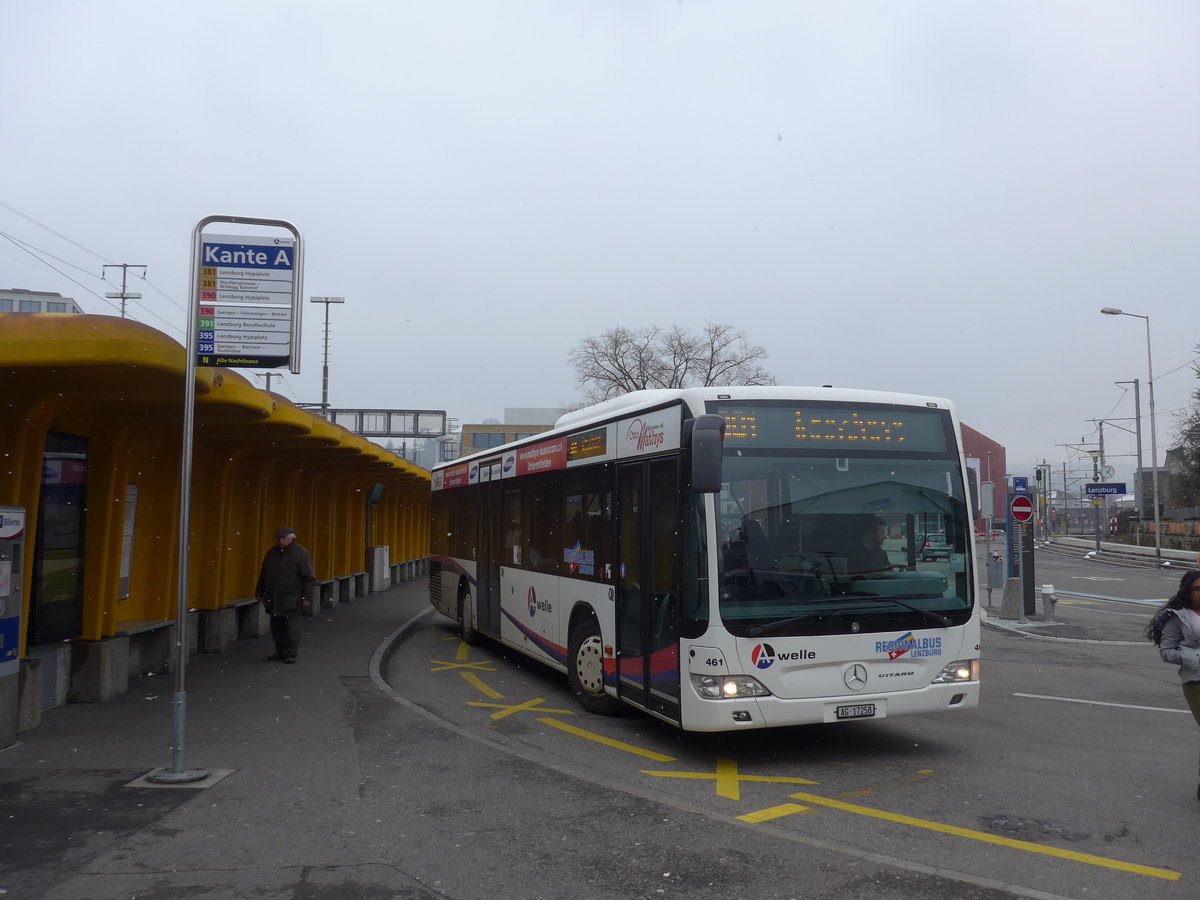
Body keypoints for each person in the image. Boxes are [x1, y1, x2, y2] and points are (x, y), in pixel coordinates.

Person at [1146, 569, 1200, 800]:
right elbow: (1167, 652)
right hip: (1195, 681)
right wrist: (1194, 658)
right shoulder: (1179, 617)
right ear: (1188, 592)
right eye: (1198, 589)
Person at [255, 526, 317, 664]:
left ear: (292, 539)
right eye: (279, 538)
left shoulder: (301, 553)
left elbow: (309, 578)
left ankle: (291, 653)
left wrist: (307, 597)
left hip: (292, 598)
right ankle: (280, 651)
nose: (281, 541)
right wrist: (259, 590)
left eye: (284, 538)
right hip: (274, 598)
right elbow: (264, 575)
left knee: (291, 629)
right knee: (277, 628)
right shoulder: (272, 553)